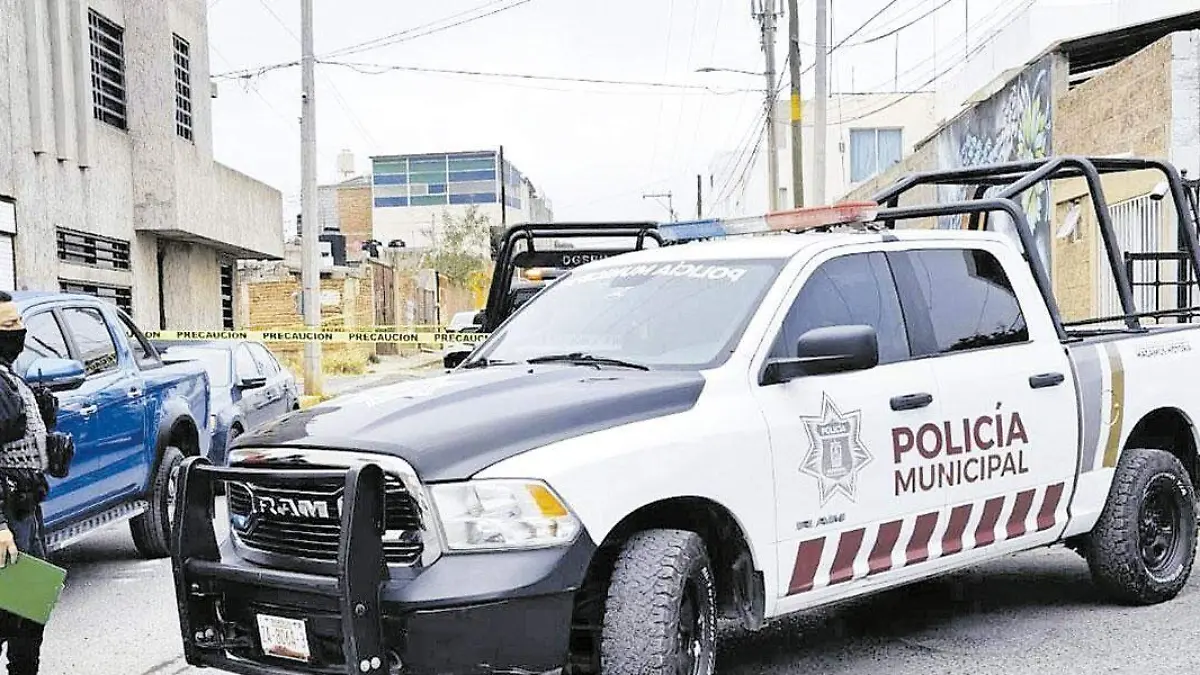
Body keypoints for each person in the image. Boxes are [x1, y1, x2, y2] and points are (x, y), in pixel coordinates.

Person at [0, 291, 70, 675]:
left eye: (19, 322)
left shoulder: (9, 376)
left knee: (28, 612)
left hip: (25, 510)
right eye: (9, 326)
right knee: (11, 615)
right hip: (7, 518)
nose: (19, 331)